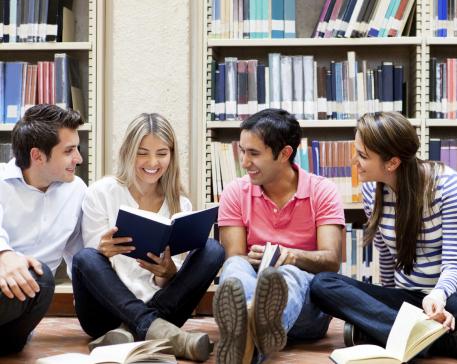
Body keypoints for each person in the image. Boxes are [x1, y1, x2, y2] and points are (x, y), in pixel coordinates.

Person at [311, 111, 457, 361]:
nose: (354, 162)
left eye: (362, 156)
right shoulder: (371, 191)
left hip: (456, 293)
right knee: (321, 284)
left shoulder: (449, 187)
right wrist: (381, 305)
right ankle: (441, 341)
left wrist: (437, 297)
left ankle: (387, 332)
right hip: (411, 299)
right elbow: (388, 260)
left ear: (392, 163)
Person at [72, 113, 224, 362]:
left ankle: (128, 333)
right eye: (142, 152)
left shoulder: (180, 204)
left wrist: (166, 272)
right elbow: (93, 273)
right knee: (86, 257)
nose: (152, 162)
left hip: (163, 308)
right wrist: (103, 251)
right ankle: (160, 333)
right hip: (104, 313)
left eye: (162, 154)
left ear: (171, 155)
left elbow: (173, 283)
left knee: (213, 249)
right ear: (128, 152)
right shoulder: (102, 193)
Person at [213, 109, 345, 364]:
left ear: (284, 154)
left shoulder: (322, 191)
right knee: (234, 264)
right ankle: (252, 344)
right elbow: (235, 257)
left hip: (306, 315)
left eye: (254, 153)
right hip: (254, 291)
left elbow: (331, 260)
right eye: (242, 151)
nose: (244, 162)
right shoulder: (234, 192)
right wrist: (263, 262)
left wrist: (290, 256)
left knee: (289, 273)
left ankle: (245, 344)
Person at [0, 104, 85, 355]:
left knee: (42, 277)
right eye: (69, 151)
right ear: (38, 156)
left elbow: (79, 253)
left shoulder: (77, 191)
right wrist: (4, 255)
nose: (78, 159)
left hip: (28, 300)